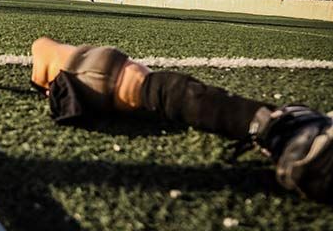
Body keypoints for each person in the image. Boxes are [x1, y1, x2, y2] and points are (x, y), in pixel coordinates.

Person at [30, 37, 333, 204]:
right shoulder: (51, 56)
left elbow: (41, 51)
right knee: (138, 83)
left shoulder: (48, 64)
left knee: (137, 84)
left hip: (79, 79)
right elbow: (41, 47)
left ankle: (276, 127)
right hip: (91, 75)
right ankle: (279, 127)